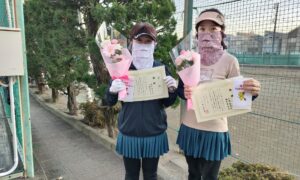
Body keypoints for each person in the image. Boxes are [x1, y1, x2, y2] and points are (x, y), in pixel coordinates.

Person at [176, 8, 261, 180]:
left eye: (213, 28)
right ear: (197, 33)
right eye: (202, 29)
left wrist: (252, 91)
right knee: (193, 174)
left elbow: (240, 96)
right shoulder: (188, 59)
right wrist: (184, 93)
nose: (207, 33)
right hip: (190, 127)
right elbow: (180, 91)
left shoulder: (230, 61)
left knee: (210, 177)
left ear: (222, 32)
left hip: (214, 131)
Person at [105, 22, 177, 180]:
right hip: (130, 131)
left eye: (148, 41)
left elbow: (167, 103)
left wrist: (172, 90)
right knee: (131, 175)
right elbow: (109, 101)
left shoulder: (161, 68)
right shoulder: (122, 67)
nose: (144, 45)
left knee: (151, 175)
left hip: (153, 132)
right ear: (131, 42)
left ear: (154, 44)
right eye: (139, 41)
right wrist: (112, 90)